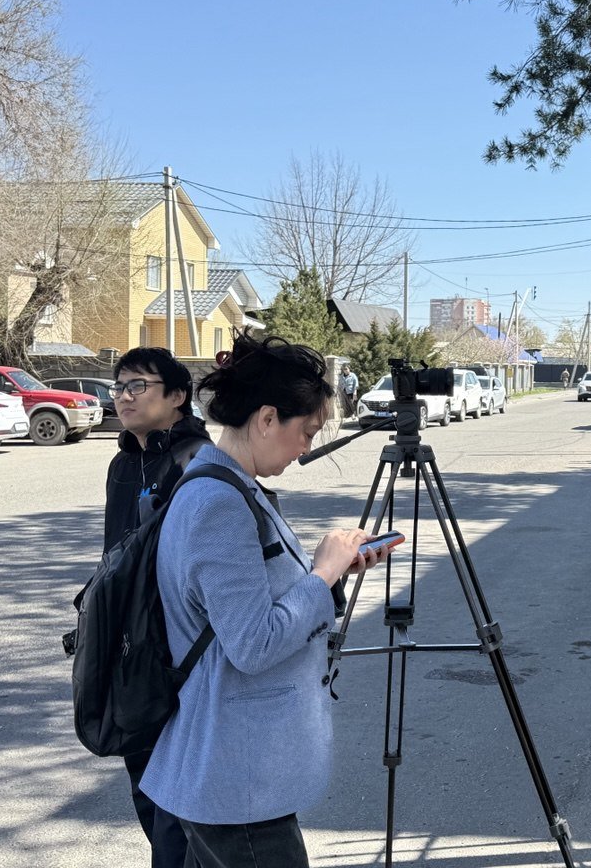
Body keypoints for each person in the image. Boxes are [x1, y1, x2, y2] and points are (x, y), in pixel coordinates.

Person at [140, 332, 392, 868]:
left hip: (232, 768)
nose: (305, 449)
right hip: (237, 776)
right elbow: (252, 644)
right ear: (267, 418)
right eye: (307, 432)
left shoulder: (229, 484)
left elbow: (250, 602)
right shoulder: (219, 502)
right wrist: (323, 572)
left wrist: (333, 574)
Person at [103, 346, 211, 868]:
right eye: (119, 386)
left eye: (138, 386)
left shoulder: (197, 461)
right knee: (144, 781)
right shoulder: (123, 462)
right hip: (128, 646)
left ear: (177, 397)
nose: (124, 397)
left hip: (176, 652)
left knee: (177, 794)